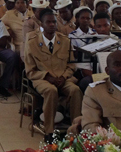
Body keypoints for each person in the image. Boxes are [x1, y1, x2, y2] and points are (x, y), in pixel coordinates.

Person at [23, 8, 83, 141]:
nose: (52, 25)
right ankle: (49, 131)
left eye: (54, 22)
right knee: (51, 91)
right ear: (41, 25)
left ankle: (75, 129)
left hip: (62, 78)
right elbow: (30, 70)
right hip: (41, 78)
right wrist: (47, 77)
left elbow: (71, 66)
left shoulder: (65, 41)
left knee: (75, 90)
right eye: (48, 22)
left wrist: (63, 77)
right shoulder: (32, 42)